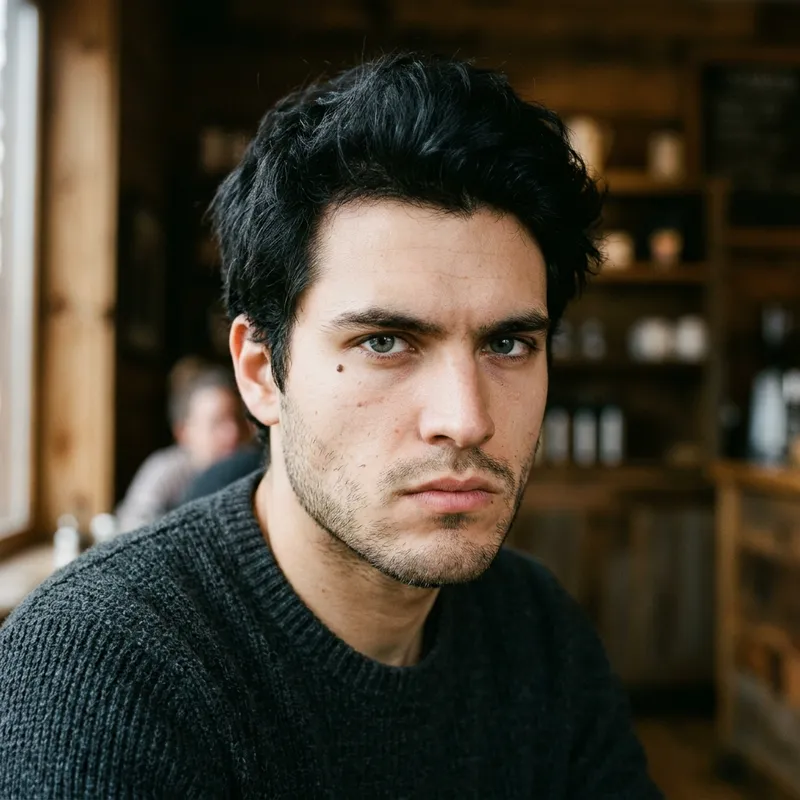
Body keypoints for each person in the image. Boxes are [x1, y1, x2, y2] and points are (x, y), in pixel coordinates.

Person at [0, 53, 664, 797]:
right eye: (384, 342)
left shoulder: (538, 631)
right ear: (260, 372)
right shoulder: (103, 662)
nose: (466, 419)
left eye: (507, 344)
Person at [115, 359, 247, 531]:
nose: (233, 432)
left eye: (237, 418)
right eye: (217, 422)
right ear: (183, 432)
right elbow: (133, 526)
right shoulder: (166, 471)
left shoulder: (254, 468)